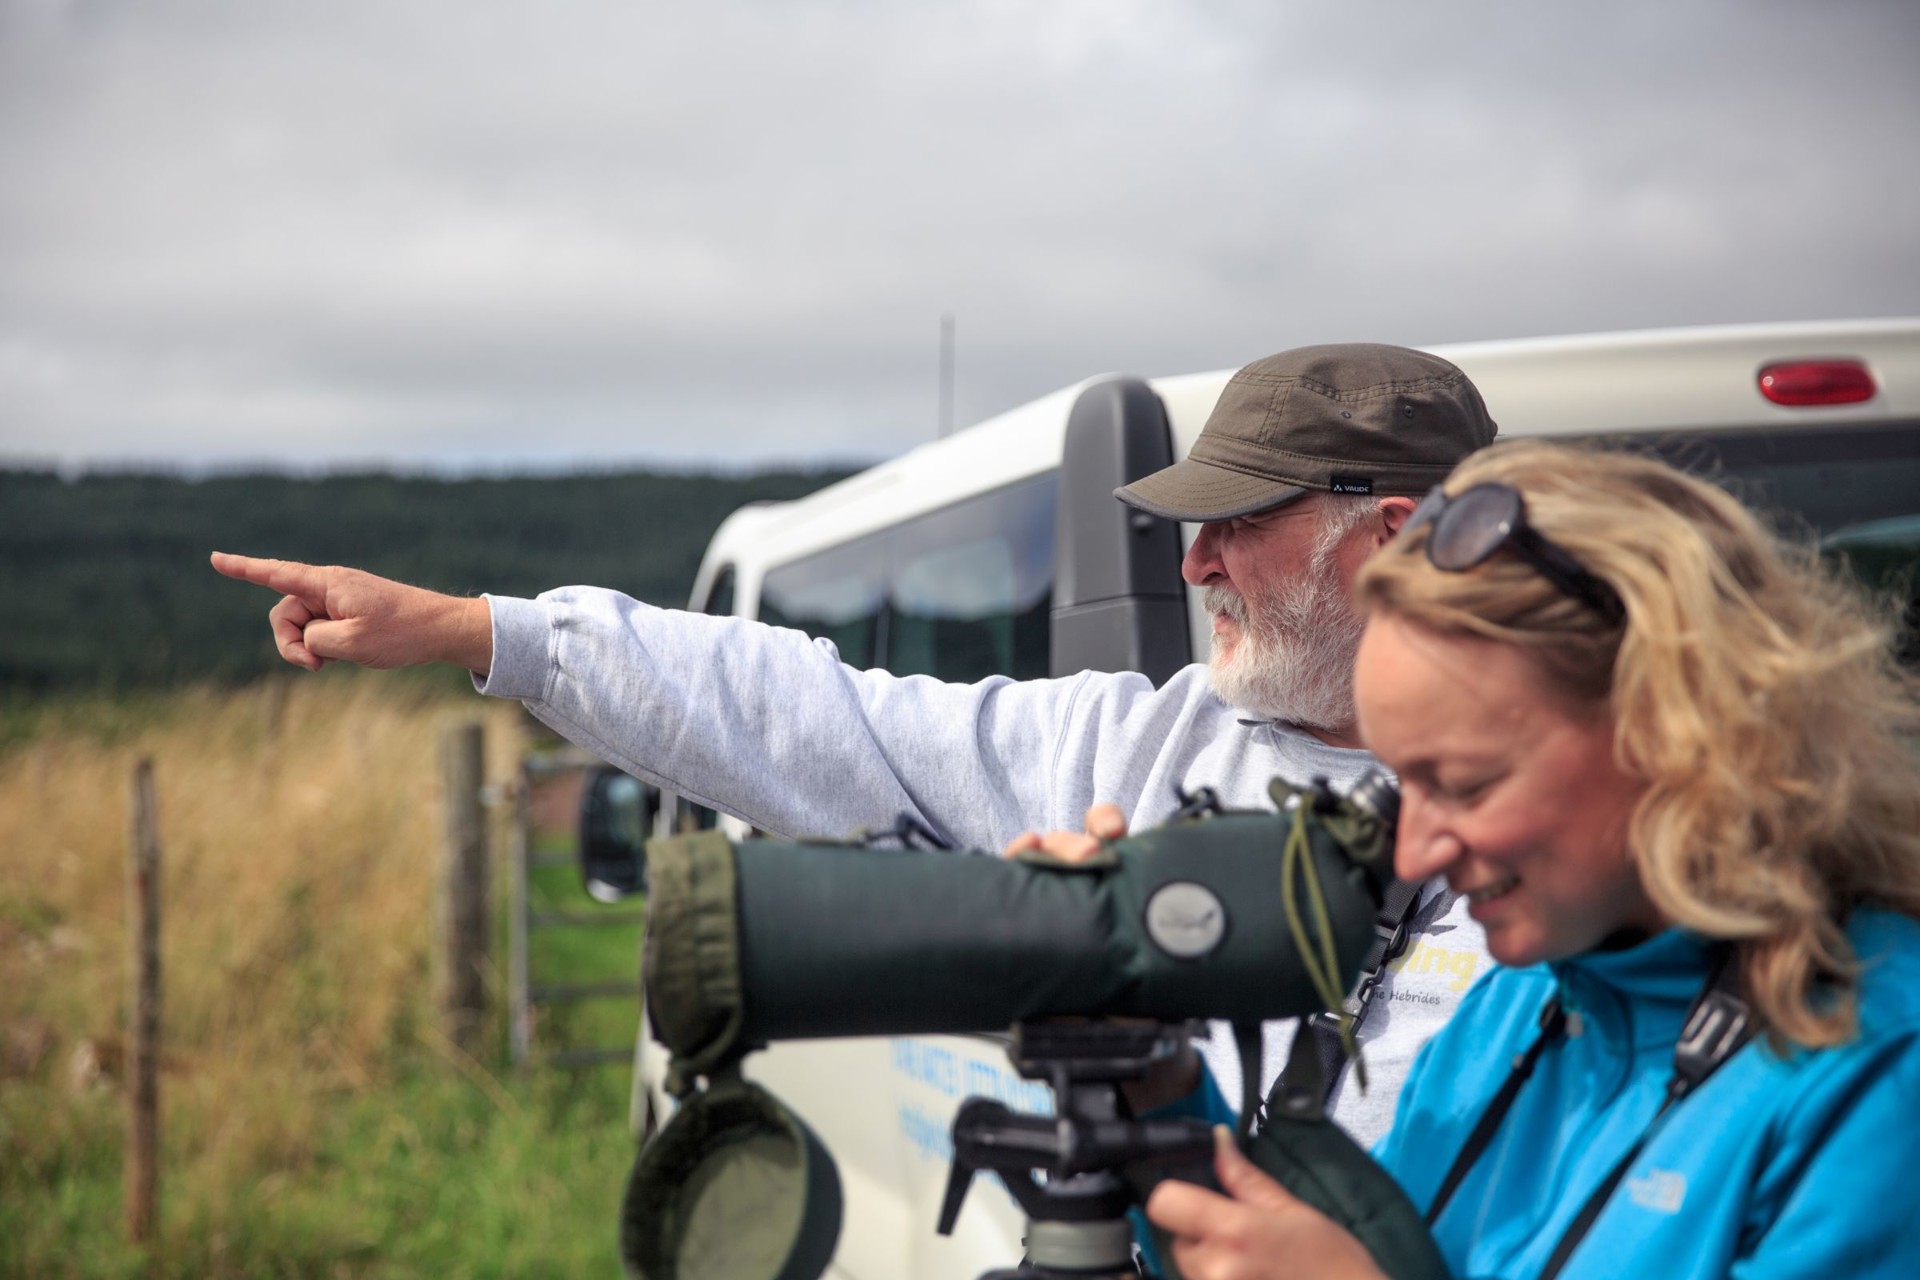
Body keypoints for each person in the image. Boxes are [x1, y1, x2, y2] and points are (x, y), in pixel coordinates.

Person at [211, 343, 1498, 1143]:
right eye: (1186, 523)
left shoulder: (1589, 807)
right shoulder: (1139, 738)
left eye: (1236, 522)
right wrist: (476, 629)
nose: (1195, 560)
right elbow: (813, 712)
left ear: (1386, 534)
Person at [1139, 439, 1920, 1278]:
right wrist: (1147, 1085)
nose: (1416, 850)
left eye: (1466, 784)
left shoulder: (1878, 1075)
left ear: (1677, 733)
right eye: (1404, 785)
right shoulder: (1521, 1007)